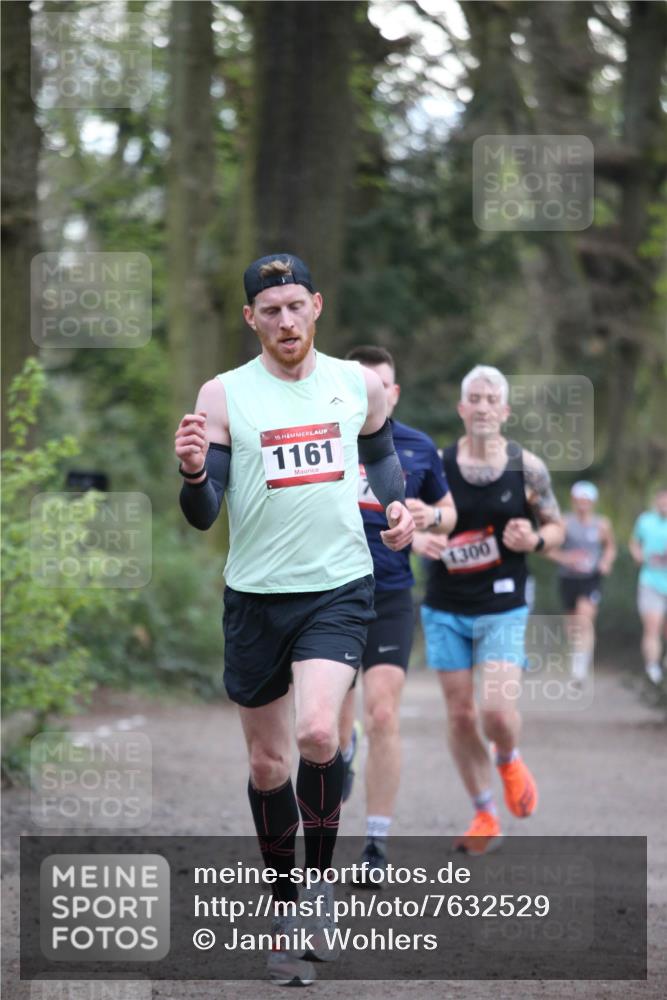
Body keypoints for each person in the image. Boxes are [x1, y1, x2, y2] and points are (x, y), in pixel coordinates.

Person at [174, 253, 414, 986]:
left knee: (318, 732)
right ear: (251, 319)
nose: (284, 320)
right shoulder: (222, 396)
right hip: (253, 597)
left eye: (294, 306)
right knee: (267, 762)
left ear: (316, 306)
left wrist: (397, 504)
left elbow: (378, 453)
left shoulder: (358, 384)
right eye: (268, 310)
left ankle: (317, 892)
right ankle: (283, 906)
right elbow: (204, 513)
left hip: (337, 587)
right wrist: (190, 473)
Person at [407, 365, 564, 856]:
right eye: (472, 398)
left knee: (495, 712)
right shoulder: (436, 464)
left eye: (490, 398)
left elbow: (556, 528)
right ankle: (484, 813)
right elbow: (413, 524)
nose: (481, 406)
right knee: (458, 715)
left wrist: (535, 539)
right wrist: (422, 539)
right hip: (446, 605)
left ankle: (510, 758)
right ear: (461, 408)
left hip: (503, 604)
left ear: (504, 410)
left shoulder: (529, 468)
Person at [337, 346, 450, 881]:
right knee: (331, 734)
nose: (370, 394)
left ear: (393, 393)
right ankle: (342, 754)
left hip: (390, 595)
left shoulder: (418, 448)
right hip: (329, 595)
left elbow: (448, 512)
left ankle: (376, 845)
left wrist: (432, 516)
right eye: (361, 384)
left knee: (383, 712)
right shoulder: (324, 437)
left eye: (380, 385)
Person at [547, 481, 616, 684]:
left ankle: (580, 669)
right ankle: (576, 657)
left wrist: (606, 562)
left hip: (591, 578)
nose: (583, 504)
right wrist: (565, 558)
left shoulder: (602, 524)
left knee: (585, 618)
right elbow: (548, 549)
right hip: (568, 578)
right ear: (573, 500)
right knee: (572, 624)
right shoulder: (564, 522)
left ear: (593, 502)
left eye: (587, 500)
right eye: (579, 500)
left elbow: (610, 547)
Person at [629, 488, 667, 685]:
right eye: (662, 499)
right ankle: (653, 669)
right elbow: (634, 542)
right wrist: (637, 554)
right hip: (650, 582)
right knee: (652, 626)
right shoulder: (645, 521)